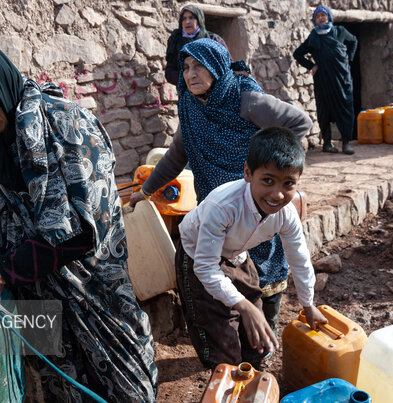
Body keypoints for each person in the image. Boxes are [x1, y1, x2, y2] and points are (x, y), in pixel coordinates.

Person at [0, 34, 157, 403]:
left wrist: (4, 267)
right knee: (63, 393)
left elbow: (85, 231)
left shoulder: (68, 125)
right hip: (34, 296)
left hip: (94, 291)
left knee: (123, 391)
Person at [130, 38, 313, 339]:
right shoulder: (190, 106)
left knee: (264, 269)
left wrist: (268, 163)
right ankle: (241, 340)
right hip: (220, 207)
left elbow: (300, 123)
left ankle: (266, 341)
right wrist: (147, 191)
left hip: (257, 200)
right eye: (186, 67)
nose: (191, 74)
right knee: (225, 270)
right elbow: (178, 154)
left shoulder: (246, 99)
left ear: (217, 67)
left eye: (200, 66)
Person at [175, 126, 328, 369]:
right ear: (248, 172)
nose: (277, 194)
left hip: (236, 255)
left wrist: (308, 304)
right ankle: (227, 380)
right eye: (268, 180)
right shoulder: (222, 206)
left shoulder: (285, 214)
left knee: (256, 332)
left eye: (288, 183)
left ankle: (253, 374)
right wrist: (242, 306)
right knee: (221, 337)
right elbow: (205, 268)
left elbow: (299, 257)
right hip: (197, 257)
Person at [293, 5, 358, 155]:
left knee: (345, 108)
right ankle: (327, 143)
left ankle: (346, 143)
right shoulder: (314, 36)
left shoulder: (340, 31)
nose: (321, 18)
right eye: (318, 16)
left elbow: (353, 41)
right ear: (315, 20)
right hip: (323, 80)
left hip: (342, 79)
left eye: (323, 15)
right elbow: (298, 54)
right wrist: (311, 66)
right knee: (324, 110)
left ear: (329, 16)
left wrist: (349, 58)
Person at [165, 4, 230, 85]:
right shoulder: (176, 41)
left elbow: (228, 65)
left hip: (212, 90)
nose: (187, 22)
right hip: (186, 90)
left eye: (191, 18)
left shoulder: (213, 39)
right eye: (184, 19)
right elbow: (169, 71)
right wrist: (187, 79)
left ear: (199, 19)